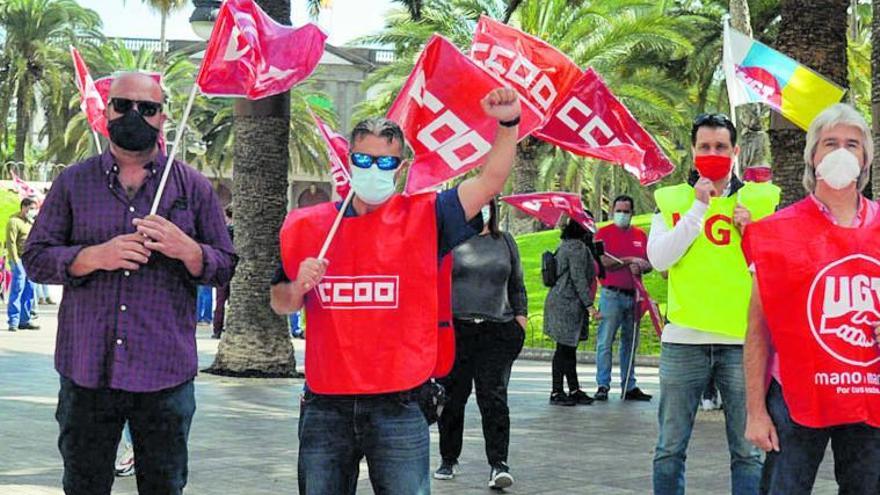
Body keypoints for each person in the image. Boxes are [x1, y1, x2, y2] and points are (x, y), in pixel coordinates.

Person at [270, 87, 521, 495]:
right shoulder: (305, 226)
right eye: (364, 159)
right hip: (325, 405)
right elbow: (280, 302)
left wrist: (508, 124)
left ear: (400, 165)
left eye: (385, 160)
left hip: (399, 406)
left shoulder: (427, 216)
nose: (373, 167)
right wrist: (298, 285)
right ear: (349, 160)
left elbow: (489, 180)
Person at [22, 72, 236, 494]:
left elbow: (225, 264)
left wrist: (188, 250)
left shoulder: (190, 187)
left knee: (164, 485)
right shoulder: (73, 182)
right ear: (107, 112)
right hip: (87, 369)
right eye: (123, 105)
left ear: (163, 118)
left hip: (164, 373)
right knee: (83, 485)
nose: (134, 115)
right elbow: (35, 257)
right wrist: (91, 257)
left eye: (148, 108)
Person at [743, 103, 880, 494]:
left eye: (852, 144)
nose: (841, 153)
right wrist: (755, 412)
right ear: (812, 156)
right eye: (830, 143)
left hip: (868, 393)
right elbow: (757, 330)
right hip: (795, 395)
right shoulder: (776, 234)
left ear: (865, 158)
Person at [648, 113, 780, 495]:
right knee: (669, 449)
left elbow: (773, 269)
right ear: (692, 152)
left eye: (721, 147)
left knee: (747, 451)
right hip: (683, 341)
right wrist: (697, 211)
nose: (713, 153)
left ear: (736, 151)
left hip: (744, 343)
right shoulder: (672, 200)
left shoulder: (761, 201)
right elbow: (659, 259)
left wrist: (750, 233)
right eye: (705, 147)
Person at [434, 198, 527, 489]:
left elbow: (517, 285)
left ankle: (498, 464)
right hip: (457, 330)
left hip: (497, 330)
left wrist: (520, 321)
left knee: (494, 397)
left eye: (486, 205)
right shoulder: (451, 240)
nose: (481, 210)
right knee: (452, 397)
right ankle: (448, 458)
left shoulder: (506, 241)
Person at [594, 194, 652, 401]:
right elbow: (603, 262)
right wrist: (629, 260)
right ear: (612, 212)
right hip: (611, 294)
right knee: (605, 341)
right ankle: (603, 384)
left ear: (632, 213)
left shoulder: (640, 235)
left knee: (630, 342)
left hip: (634, 294)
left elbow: (649, 262)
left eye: (626, 211)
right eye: (618, 211)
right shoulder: (603, 234)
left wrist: (642, 265)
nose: (622, 215)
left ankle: (629, 384)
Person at [543, 218, 599, 406]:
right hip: (566, 304)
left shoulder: (568, 245)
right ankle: (557, 391)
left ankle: (573, 389)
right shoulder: (576, 248)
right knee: (564, 349)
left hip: (563, 302)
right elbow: (578, 278)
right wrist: (590, 305)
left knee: (568, 349)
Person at [7, 197, 39, 332]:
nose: (33, 211)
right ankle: (13, 320)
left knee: (30, 290)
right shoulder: (14, 221)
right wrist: (15, 261)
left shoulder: (32, 222)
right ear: (23, 207)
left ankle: (24, 320)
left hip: (30, 260)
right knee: (17, 289)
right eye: (31, 208)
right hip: (18, 259)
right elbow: (11, 242)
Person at [212, 206, 234, 338]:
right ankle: (231, 328)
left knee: (220, 301)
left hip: (224, 269)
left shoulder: (224, 231)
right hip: (236, 270)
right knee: (234, 302)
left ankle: (217, 329)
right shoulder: (240, 231)